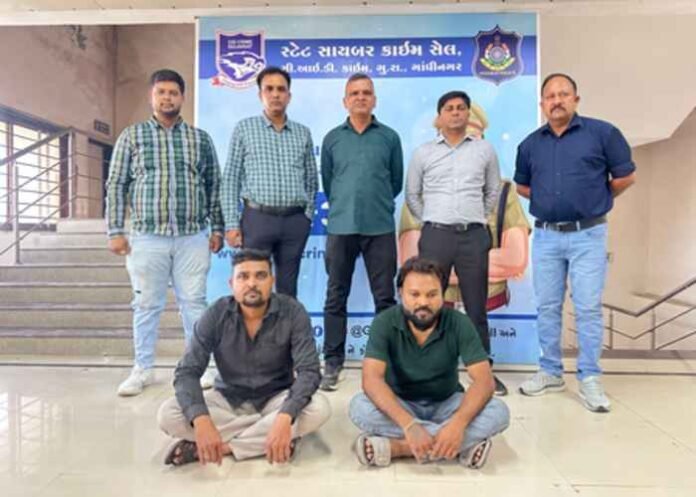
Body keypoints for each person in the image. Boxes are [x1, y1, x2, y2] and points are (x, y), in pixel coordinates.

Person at [514, 73, 636, 412]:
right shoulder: (530, 144)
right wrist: (552, 203)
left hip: (588, 235)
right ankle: (551, 372)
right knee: (547, 306)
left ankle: (590, 377)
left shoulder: (603, 134)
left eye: (563, 94)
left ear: (576, 99)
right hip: (546, 237)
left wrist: (596, 199)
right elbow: (523, 186)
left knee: (587, 308)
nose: (557, 101)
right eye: (550, 96)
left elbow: (625, 177)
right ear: (542, 104)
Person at [106, 69, 222, 396]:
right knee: (146, 305)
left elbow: (214, 186)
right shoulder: (132, 136)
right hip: (146, 237)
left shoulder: (200, 139)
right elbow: (116, 185)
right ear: (151, 96)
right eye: (161, 92)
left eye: (173, 92)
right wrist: (115, 230)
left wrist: (217, 228)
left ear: (182, 97)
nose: (167, 98)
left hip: (192, 236)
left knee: (195, 303)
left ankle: (199, 367)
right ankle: (142, 369)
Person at [157, 248, 331, 466]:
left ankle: (224, 447)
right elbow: (187, 372)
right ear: (232, 283)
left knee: (319, 408)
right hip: (227, 398)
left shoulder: (292, 312)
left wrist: (285, 415)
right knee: (168, 413)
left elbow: (309, 371)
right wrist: (201, 421)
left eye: (260, 276)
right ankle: (269, 437)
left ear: (271, 281)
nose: (252, 283)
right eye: (243, 276)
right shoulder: (216, 314)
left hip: (276, 398)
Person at [348, 257, 509, 468]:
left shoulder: (459, 322)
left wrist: (458, 424)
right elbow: (371, 380)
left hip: (447, 403)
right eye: (414, 294)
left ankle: (400, 448)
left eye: (432, 294)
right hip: (401, 402)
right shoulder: (384, 322)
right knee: (359, 407)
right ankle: (458, 446)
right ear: (401, 294)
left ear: (443, 294)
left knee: (499, 411)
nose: (423, 302)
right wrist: (408, 424)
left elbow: (484, 382)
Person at [405, 91, 504, 393]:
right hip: (436, 236)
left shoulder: (484, 150)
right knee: (429, 302)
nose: (456, 113)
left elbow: (492, 191)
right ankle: (426, 370)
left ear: (468, 114)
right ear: (440, 116)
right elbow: (412, 195)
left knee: (476, 306)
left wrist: (475, 217)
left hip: (473, 236)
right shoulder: (423, 153)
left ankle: (483, 373)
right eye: (449, 108)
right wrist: (432, 220)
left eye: (461, 108)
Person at [399, 102, 530, 314]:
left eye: (469, 139)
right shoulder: (419, 194)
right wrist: (474, 264)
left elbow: (515, 259)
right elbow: (413, 264)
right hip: (437, 309)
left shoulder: (503, 191)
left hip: (492, 308)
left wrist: (442, 263)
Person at [320, 73, 403, 391]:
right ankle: (332, 361)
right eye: (354, 93)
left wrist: (375, 203)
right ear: (345, 101)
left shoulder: (390, 137)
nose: (360, 97)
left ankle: (385, 361)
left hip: (379, 227)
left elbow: (395, 181)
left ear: (374, 100)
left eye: (366, 92)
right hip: (341, 226)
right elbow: (329, 183)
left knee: (385, 298)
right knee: (335, 296)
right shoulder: (332, 138)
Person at [221, 66, 318, 298]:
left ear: (289, 96)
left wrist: (307, 215)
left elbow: (311, 179)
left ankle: (285, 325)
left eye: (281, 89)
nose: (275, 94)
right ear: (260, 94)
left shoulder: (302, 133)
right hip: (257, 219)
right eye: (269, 89)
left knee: (288, 289)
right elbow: (231, 178)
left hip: (294, 221)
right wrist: (232, 224)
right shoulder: (244, 129)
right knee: (253, 286)